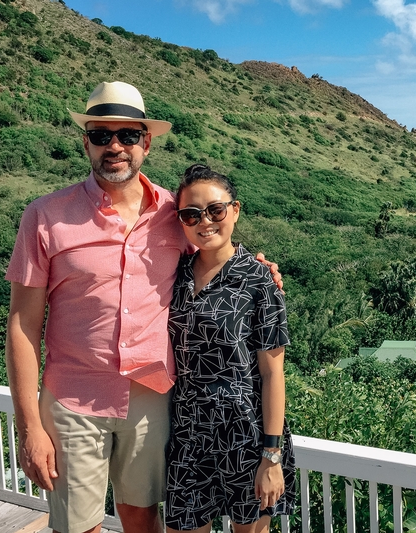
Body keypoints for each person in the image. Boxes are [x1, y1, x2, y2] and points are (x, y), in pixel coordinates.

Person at [5, 81, 280, 533]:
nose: (115, 146)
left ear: (146, 143)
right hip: (73, 398)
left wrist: (259, 266)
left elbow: (216, 253)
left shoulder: (177, 214)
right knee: (77, 526)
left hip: (152, 396)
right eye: (101, 135)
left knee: (141, 516)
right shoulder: (45, 216)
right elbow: (22, 325)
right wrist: (29, 427)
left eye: (127, 135)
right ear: (86, 142)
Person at [165, 165, 295, 533]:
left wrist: (271, 457)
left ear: (235, 210)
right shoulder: (177, 274)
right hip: (188, 431)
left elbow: (272, 374)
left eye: (215, 210)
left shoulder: (259, 281)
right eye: (191, 214)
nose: (204, 221)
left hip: (246, 434)